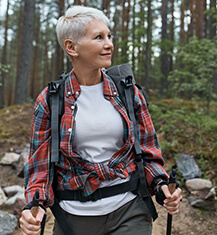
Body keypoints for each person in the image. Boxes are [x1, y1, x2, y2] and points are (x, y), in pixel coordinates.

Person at [20, 5, 182, 235]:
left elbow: (148, 152)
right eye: (99, 37)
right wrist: (34, 205)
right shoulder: (51, 100)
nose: (109, 44)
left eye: (109, 36)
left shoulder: (128, 92)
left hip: (130, 210)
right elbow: (40, 167)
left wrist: (161, 186)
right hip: (73, 218)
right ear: (71, 47)